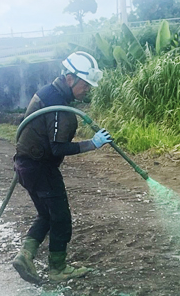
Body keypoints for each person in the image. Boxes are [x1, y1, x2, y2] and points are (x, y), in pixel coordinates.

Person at [11, 52, 113, 284]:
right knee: (61, 218)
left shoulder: (48, 92)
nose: (87, 89)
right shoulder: (59, 107)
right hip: (41, 169)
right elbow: (57, 148)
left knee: (46, 215)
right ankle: (58, 268)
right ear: (70, 79)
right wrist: (91, 144)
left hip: (24, 166)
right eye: (85, 84)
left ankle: (25, 255)